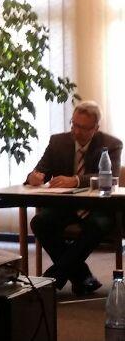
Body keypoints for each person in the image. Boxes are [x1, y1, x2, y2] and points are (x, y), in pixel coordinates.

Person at [26, 100, 122, 296]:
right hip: (66, 206)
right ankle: (83, 277)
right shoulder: (58, 142)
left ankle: (50, 280)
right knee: (39, 222)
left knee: (98, 225)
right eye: (74, 124)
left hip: (98, 208)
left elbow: (110, 177)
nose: (76, 131)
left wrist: (76, 180)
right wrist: (33, 177)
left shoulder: (111, 144)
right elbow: (39, 170)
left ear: (95, 128)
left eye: (83, 128)